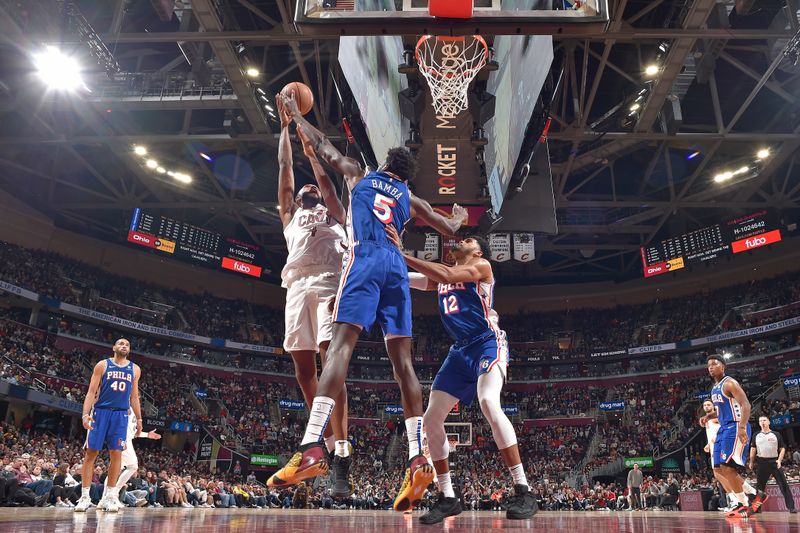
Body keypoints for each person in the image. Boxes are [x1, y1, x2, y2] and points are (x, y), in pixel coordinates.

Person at [268, 91, 469, 514]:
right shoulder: (410, 199)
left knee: (339, 349)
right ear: (406, 177)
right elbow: (449, 227)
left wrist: (297, 121)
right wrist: (460, 219)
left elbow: (324, 149)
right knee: (404, 365)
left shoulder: (360, 176)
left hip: (364, 261)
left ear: (382, 167)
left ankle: (311, 445)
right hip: (396, 267)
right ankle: (417, 457)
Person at [384, 228, 536, 523]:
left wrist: (402, 254)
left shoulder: (481, 267)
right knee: (431, 419)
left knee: (489, 402)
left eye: (467, 240)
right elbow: (407, 280)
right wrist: (387, 262)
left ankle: (523, 489)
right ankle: (448, 496)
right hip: (460, 351)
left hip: (486, 343)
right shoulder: (443, 275)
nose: (460, 241)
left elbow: (447, 277)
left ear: (478, 252)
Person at [275, 96, 352, 497]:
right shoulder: (290, 215)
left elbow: (321, 180)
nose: (307, 187)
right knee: (303, 369)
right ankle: (318, 443)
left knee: (329, 359)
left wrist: (313, 152)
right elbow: (286, 169)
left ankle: (342, 454)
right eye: (303, 188)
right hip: (295, 287)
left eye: (313, 188)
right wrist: (285, 127)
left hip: (327, 282)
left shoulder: (334, 213)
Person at [75, 338, 142, 513]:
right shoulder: (102, 365)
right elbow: (91, 392)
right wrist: (85, 414)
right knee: (91, 453)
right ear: (114, 347)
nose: (124, 346)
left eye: (127, 344)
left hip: (121, 414)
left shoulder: (135, 369)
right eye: (121, 344)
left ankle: (111, 497)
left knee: (116, 454)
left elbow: (134, 397)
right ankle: (84, 497)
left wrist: (140, 420)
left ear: (130, 349)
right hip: (100, 412)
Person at [698, 354, 752, 518]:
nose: (710, 368)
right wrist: (709, 416)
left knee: (728, 467)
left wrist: (742, 427)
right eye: (708, 366)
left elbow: (745, 404)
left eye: (714, 364)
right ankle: (749, 497)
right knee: (720, 469)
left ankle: (744, 504)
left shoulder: (729, 383)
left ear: (723, 366)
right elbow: (721, 411)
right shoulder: (715, 387)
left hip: (735, 425)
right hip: (724, 427)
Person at [100, 407, 161, 507]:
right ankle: (113, 494)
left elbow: (132, 432)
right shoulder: (125, 405)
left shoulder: (133, 410)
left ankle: (104, 499)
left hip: (124, 439)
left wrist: (147, 435)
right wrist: (119, 438)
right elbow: (117, 422)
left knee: (115, 470)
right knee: (132, 466)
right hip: (122, 440)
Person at [702, 399, 756, 512]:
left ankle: (739, 498)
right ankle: (745, 494)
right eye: (705, 405)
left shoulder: (717, 416)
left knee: (722, 471)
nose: (706, 407)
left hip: (722, 442)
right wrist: (708, 444)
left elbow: (723, 423)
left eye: (708, 404)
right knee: (719, 473)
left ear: (713, 406)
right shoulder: (708, 419)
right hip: (714, 446)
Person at [748, 415, 797, 514]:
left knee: (783, 485)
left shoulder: (776, 434)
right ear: (759, 423)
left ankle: (791, 507)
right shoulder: (756, 435)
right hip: (761, 462)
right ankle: (757, 508)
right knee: (760, 487)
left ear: (769, 422)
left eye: (764, 420)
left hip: (774, 462)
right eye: (760, 420)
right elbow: (753, 449)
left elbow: (782, 448)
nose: (762, 422)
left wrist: (779, 460)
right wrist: (751, 462)